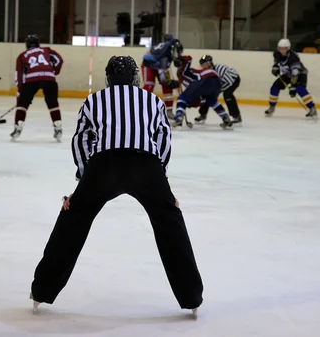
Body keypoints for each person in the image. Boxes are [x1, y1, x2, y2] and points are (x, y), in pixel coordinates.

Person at [30, 56, 203, 318]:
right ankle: (191, 297)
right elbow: (163, 140)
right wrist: (163, 184)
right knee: (170, 223)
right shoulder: (153, 100)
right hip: (146, 167)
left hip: (103, 167)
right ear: (134, 76)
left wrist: (82, 183)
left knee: (72, 219)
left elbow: (81, 141)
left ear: (108, 77)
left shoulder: (93, 100)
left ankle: (42, 291)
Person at [11, 34, 64, 141]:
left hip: (31, 79)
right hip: (49, 78)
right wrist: (54, 72)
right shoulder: (46, 50)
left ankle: (18, 126)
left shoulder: (22, 55)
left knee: (22, 104)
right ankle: (58, 126)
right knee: (52, 103)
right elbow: (59, 60)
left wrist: (20, 89)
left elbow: (19, 73)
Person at [174, 55, 233, 129]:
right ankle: (225, 118)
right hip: (216, 82)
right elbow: (195, 93)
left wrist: (181, 59)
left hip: (205, 79)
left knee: (182, 98)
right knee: (211, 100)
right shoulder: (187, 78)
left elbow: (188, 59)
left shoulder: (183, 72)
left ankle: (178, 117)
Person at [265, 38, 317, 119]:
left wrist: (293, 86)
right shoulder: (276, 53)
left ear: (288, 48)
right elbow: (276, 62)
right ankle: (271, 107)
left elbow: (295, 74)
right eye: (280, 48)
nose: (282, 50)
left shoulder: (293, 58)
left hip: (300, 74)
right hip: (288, 74)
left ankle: (312, 109)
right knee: (274, 87)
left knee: (300, 89)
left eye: (284, 49)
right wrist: (275, 68)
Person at [190, 55, 242, 125]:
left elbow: (229, 82)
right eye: (201, 65)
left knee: (227, 95)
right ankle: (203, 114)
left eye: (203, 64)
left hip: (233, 80)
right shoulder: (207, 73)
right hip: (221, 83)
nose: (202, 66)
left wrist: (217, 90)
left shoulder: (221, 70)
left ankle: (237, 117)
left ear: (209, 63)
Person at [141, 34, 182, 119]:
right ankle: (141, 108)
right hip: (149, 66)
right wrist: (170, 82)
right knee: (149, 85)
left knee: (165, 86)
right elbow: (164, 78)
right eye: (177, 52)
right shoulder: (166, 54)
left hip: (157, 65)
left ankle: (169, 110)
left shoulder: (167, 46)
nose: (177, 54)